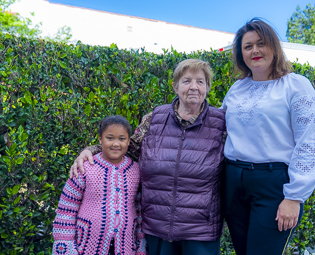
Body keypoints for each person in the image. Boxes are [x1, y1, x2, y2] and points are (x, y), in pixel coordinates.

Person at [70, 59, 226, 255]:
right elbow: (128, 148)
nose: (193, 87)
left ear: (208, 87)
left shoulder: (221, 124)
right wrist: (91, 150)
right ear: (175, 86)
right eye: (186, 81)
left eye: (200, 81)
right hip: (157, 228)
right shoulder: (155, 118)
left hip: (200, 231)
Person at [220, 18, 315, 255]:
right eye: (247, 46)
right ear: (241, 54)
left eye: (261, 43)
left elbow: (308, 144)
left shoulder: (296, 86)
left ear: (274, 48)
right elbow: (219, 130)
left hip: (273, 184)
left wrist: (294, 197)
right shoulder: (237, 89)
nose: (255, 50)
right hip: (233, 181)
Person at [52, 115, 146, 255]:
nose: (116, 144)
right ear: (100, 139)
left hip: (126, 245)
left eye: (122, 139)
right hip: (87, 245)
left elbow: (139, 209)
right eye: (110, 138)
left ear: (128, 142)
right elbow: (67, 209)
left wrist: (141, 244)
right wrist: (65, 244)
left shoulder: (135, 170)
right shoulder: (85, 168)